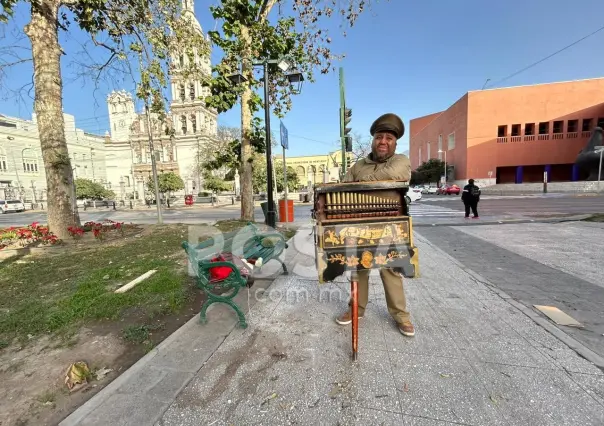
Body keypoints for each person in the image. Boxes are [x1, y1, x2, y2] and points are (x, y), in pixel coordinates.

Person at [335, 113, 415, 337]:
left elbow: (394, 174)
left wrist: (360, 183)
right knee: (358, 267)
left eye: (389, 138)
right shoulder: (359, 164)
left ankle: (401, 315)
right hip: (360, 225)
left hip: (390, 225)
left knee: (391, 269)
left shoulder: (401, 160)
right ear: (373, 140)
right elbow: (343, 187)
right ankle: (356, 309)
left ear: (395, 143)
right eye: (380, 137)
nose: (383, 142)